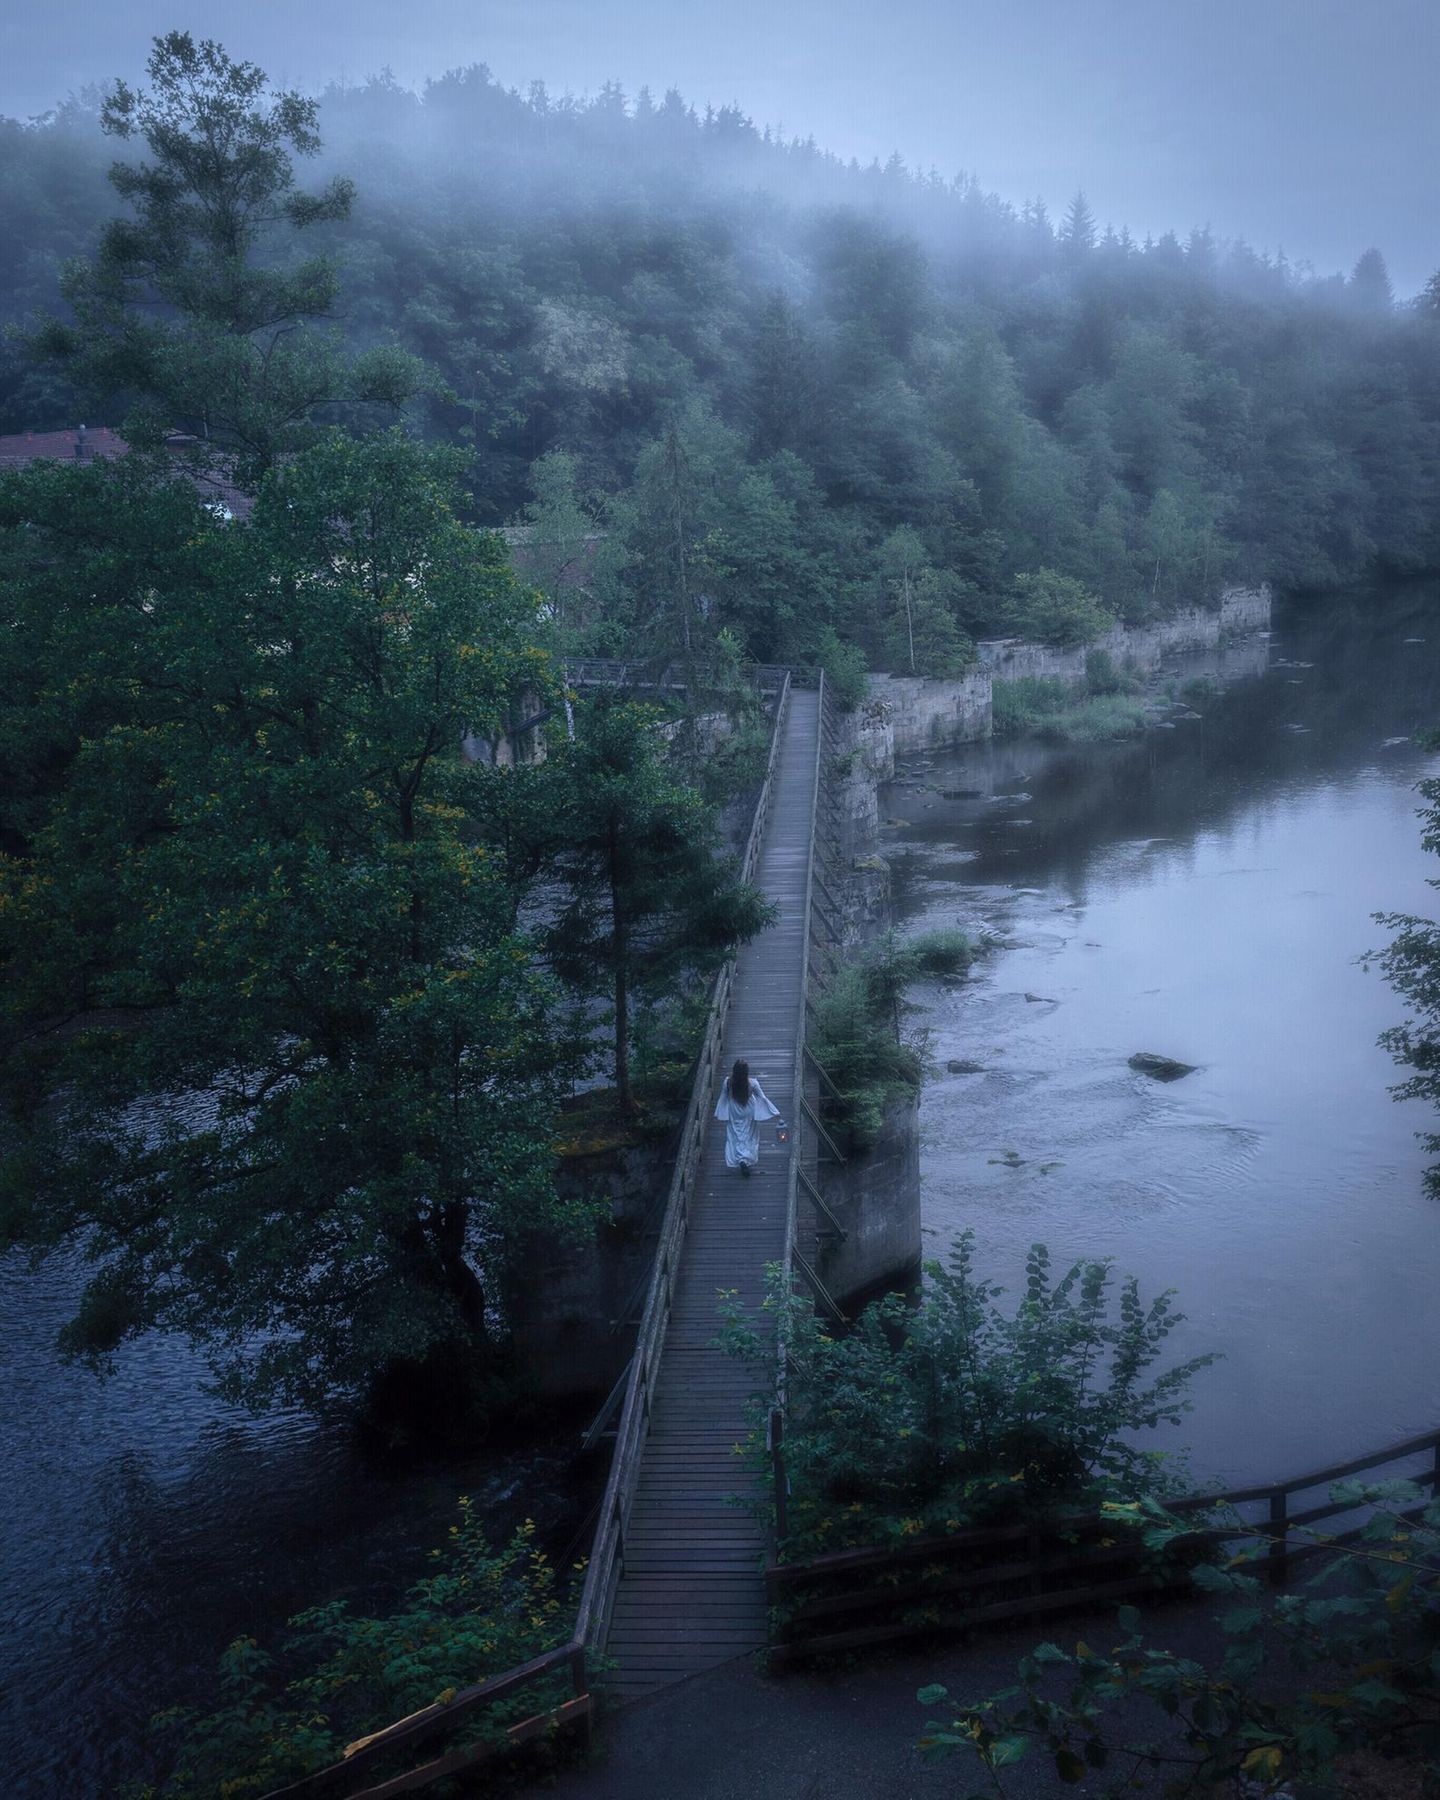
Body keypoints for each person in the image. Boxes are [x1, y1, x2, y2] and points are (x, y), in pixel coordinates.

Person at [713, 1057, 779, 1177]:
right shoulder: (753, 1083)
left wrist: (720, 1112)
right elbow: (762, 1097)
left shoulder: (728, 1082)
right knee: (749, 1134)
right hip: (749, 1110)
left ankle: (740, 1159)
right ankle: (746, 1159)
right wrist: (772, 1111)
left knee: (735, 1135)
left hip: (734, 1110)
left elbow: (723, 1097)